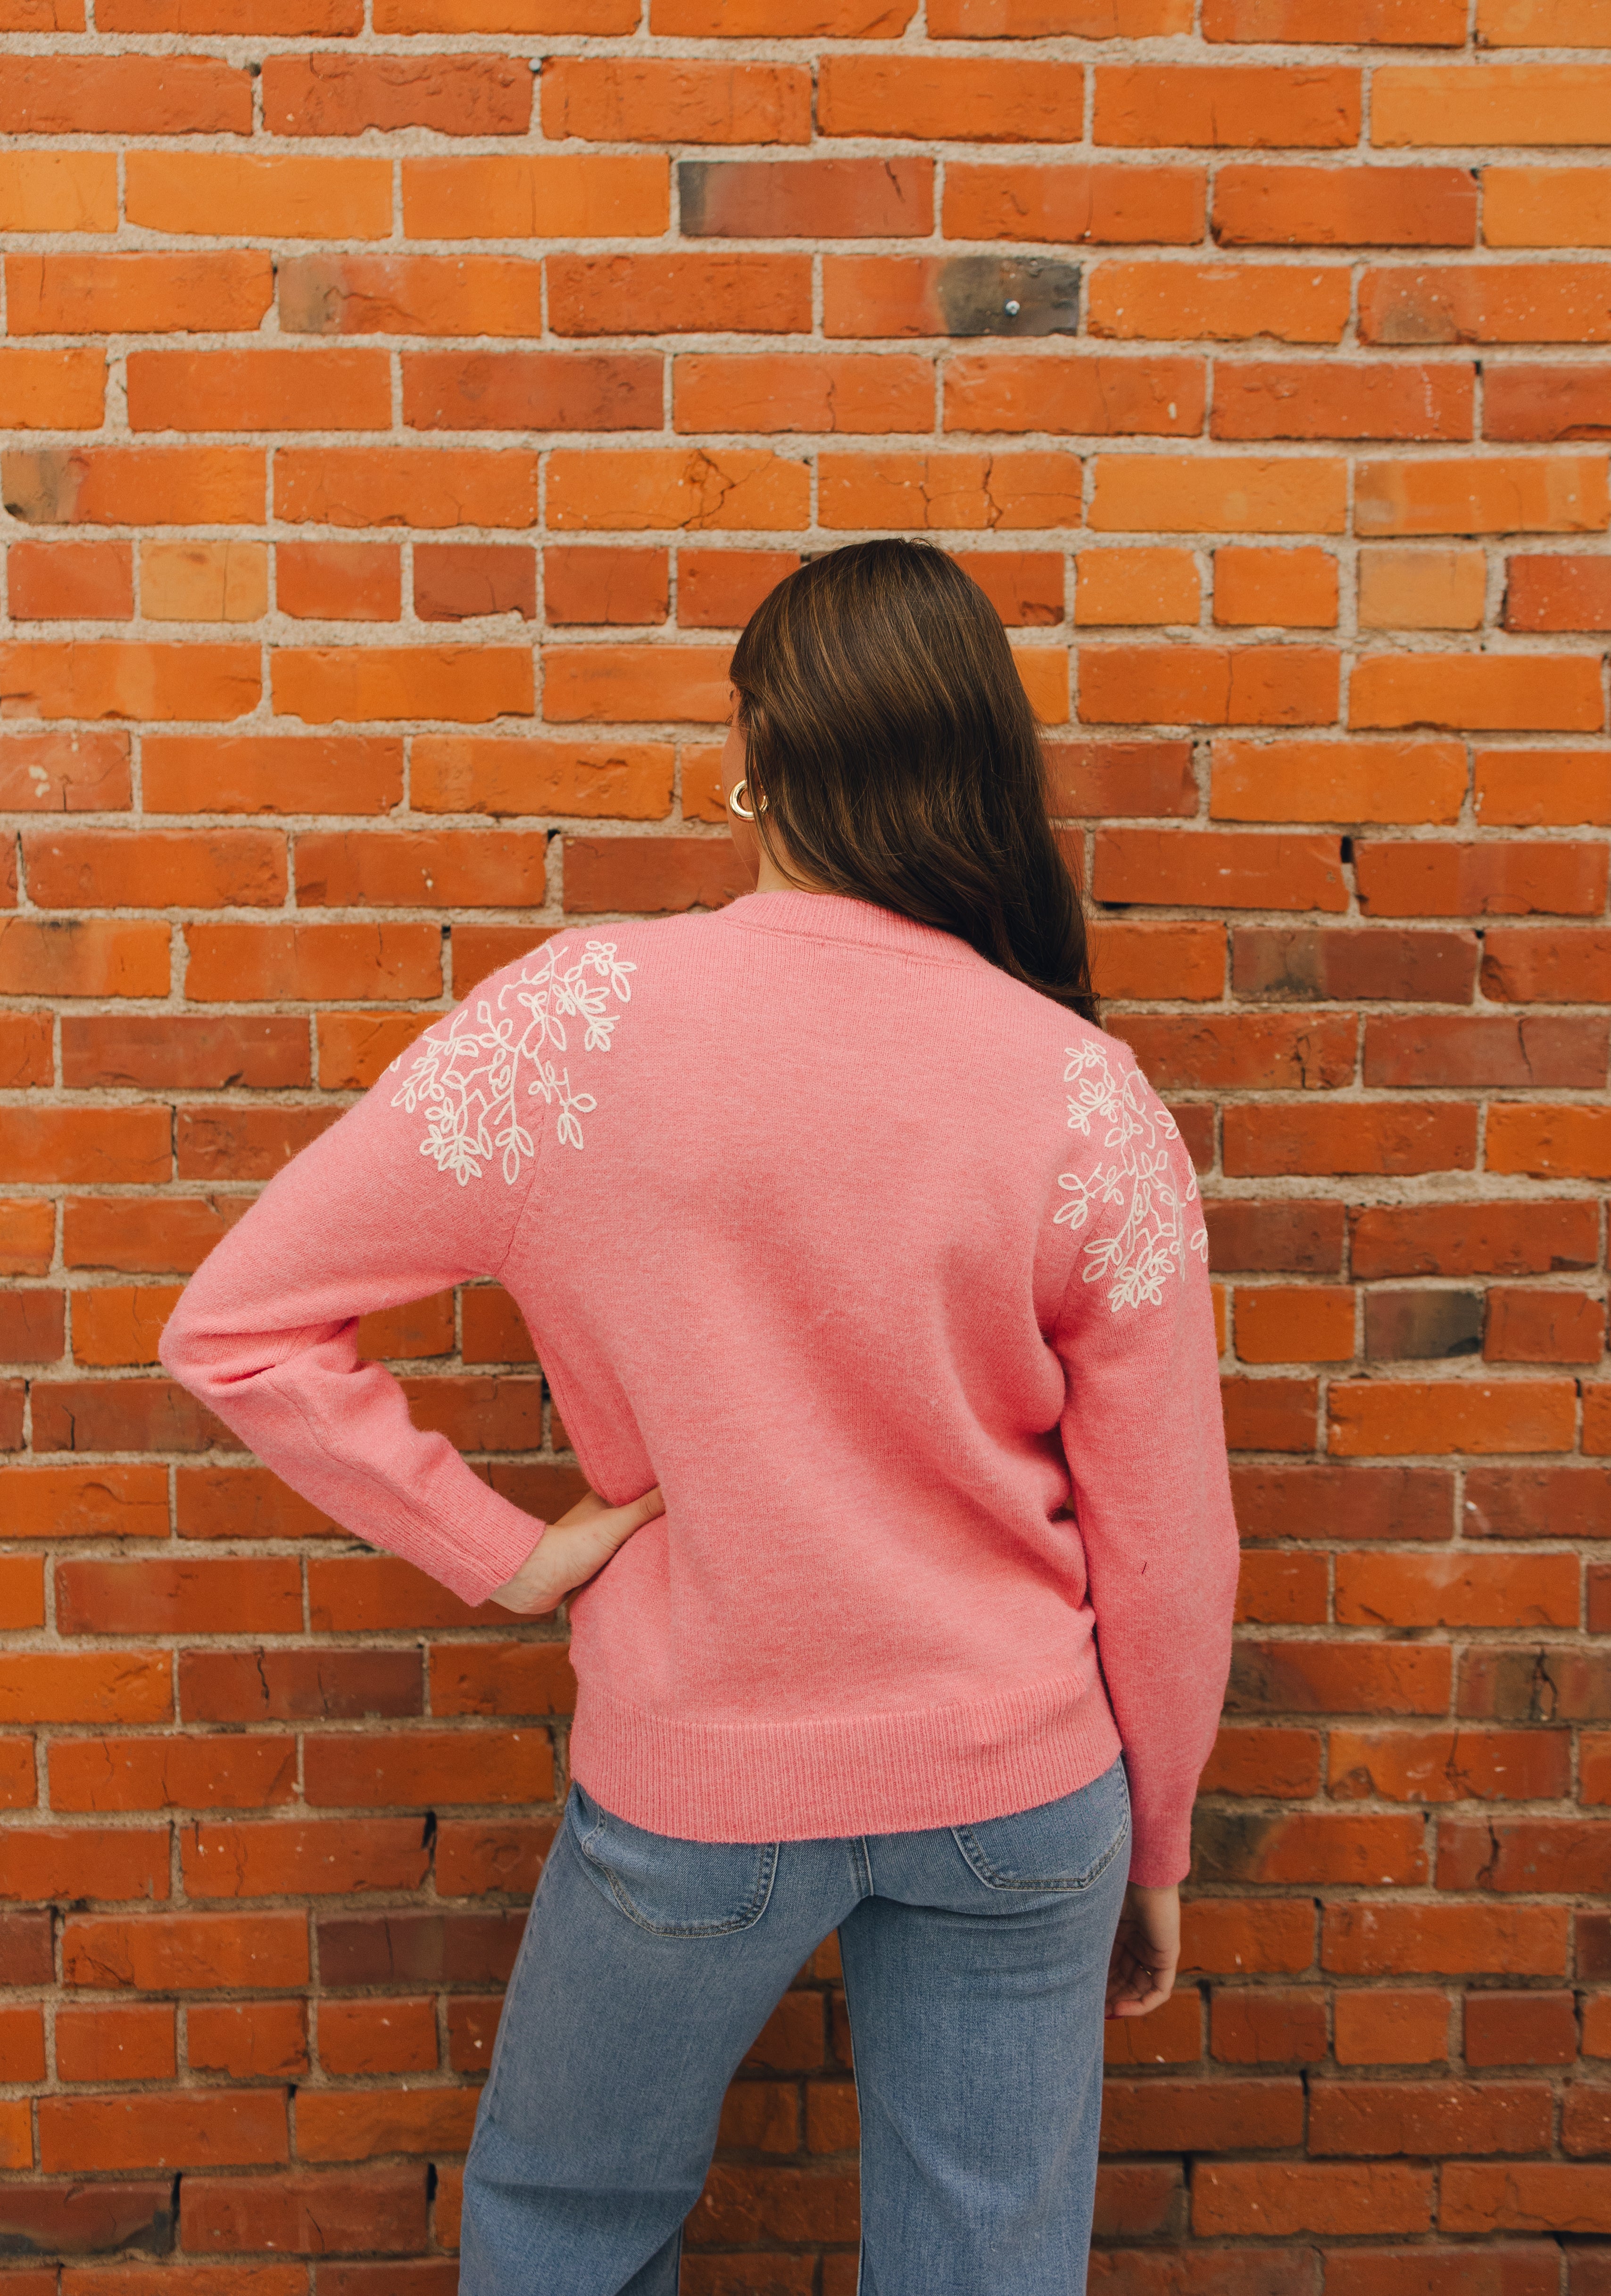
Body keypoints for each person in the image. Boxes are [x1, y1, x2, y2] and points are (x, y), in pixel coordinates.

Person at [160, 538, 1239, 2296]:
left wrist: (509, 1560)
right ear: (976, 767)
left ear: (752, 757)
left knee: (569, 2221)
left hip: (702, 1780)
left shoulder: (577, 1029)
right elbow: (1169, 1537)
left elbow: (239, 1326)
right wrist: (1164, 1828)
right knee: (991, 2258)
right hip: (1022, 1790)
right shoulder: (1078, 1091)